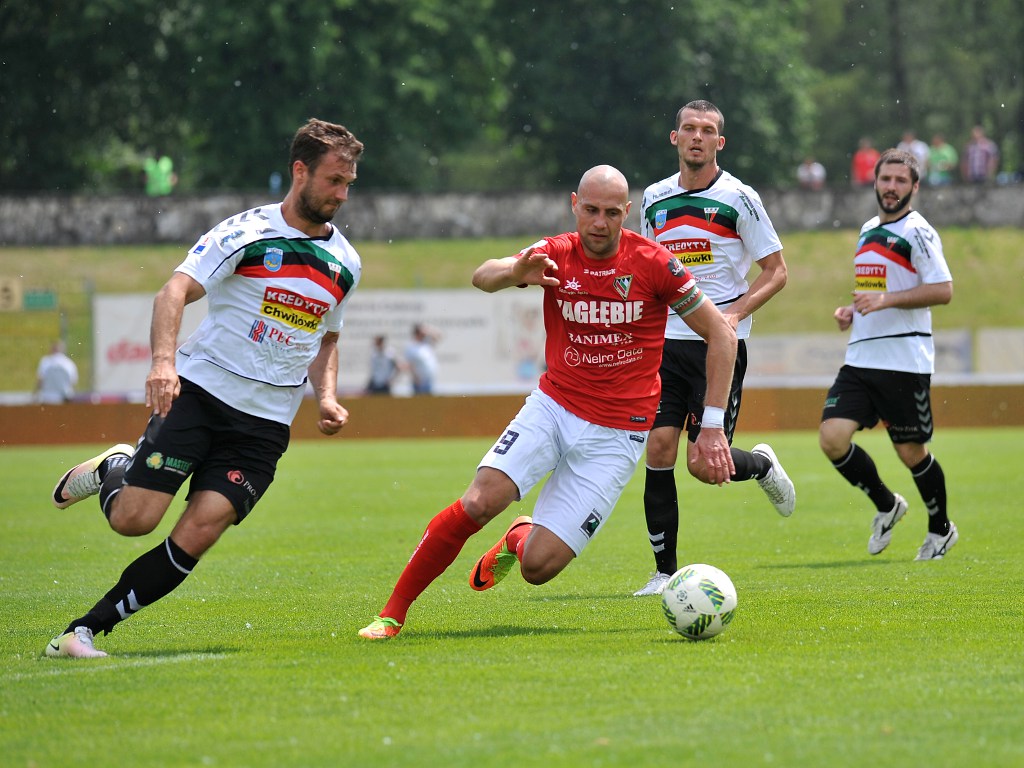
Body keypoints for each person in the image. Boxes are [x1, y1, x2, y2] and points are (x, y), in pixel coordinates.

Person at [357, 164, 738, 640]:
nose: (599, 222)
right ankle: (392, 614)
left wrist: (712, 425)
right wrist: (516, 271)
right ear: (574, 205)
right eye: (591, 210)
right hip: (554, 407)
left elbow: (722, 335)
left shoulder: (654, 263)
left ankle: (518, 536)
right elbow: (482, 276)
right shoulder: (555, 253)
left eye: (612, 213)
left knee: (538, 567)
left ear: (627, 212)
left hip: (618, 434)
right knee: (479, 501)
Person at [45, 118, 365, 658]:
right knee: (134, 520)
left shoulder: (346, 263)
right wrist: (162, 364)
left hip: (265, 426)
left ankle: (82, 632)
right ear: (300, 171)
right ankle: (114, 468)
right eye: (334, 180)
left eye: (349, 183)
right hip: (200, 396)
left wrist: (327, 397)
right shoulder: (246, 233)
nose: (342, 194)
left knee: (200, 531)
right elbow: (173, 292)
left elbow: (326, 339)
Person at [632, 100, 795, 597]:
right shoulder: (654, 198)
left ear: (719, 142)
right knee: (659, 448)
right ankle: (664, 573)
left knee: (703, 465)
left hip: (719, 347)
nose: (697, 137)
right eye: (689, 129)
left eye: (707, 131)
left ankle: (761, 465)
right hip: (666, 345)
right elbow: (648, 270)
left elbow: (777, 272)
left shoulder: (740, 198)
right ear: (675, 138)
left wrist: (735, 314)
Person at [819, 148, 957, 561]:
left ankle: (941, 529)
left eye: (900, 181)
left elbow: (943, 290)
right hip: (861, 358)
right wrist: (852, 311)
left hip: (903, 361)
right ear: (875, 182)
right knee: (832, 438)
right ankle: (887, 504)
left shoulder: (919, 232)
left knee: (910, 452)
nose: (891, 187)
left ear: (915, 187)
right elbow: (874, 291)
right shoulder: (867, 229)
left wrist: (885, 301)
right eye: (885, 179)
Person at [35, 340, 79, 404]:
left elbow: (40, 380)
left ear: (52, 349)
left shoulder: (45, 361)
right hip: (64, 399)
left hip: (47, 398)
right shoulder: (69, 363)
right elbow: (73, 382)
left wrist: (35, 395)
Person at [404, 323, 439, 395]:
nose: (424, 335)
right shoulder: (411, 346)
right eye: (422, 333)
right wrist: (415, 378)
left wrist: (428, 331)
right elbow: (410, 364)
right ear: (417, 333)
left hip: (429, 379)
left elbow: (438, 337)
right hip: (419, 381)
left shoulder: (426, 343)